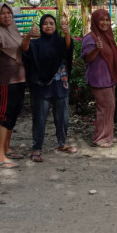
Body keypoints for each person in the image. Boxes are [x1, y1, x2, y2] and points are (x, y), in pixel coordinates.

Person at [22, 14, 75, 162]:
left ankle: (62, 144)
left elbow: (69, 47)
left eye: (52, 23)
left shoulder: (60, 41)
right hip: (41, 86)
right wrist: (28, 36)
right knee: (40, 118)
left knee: (62, 117)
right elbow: (25, 49)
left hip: (61, 84)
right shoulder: (36, 43)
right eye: (45, 23)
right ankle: (37, 148)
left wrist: (67, 33)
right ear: (41, 26)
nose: (49, 26)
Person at [0, 3, 26, 169]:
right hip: (5, 82)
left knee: (12, 116)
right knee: (4, 117)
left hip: (18, 81)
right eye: (3, 13)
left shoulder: (13, 30)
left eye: (9, 13)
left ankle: (7, 148)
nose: (7, 16)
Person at [82, 9, 117, 148]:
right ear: (95, 21)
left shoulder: (107, 36)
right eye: (101, 20)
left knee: (110, 106)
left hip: (108, 78)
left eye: (107, 20)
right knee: (105, 107)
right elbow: (87, 58)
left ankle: (108, 135)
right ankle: (100, 138)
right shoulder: (91, 37)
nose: (105, 23)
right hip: (98, 79)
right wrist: (96, 49)